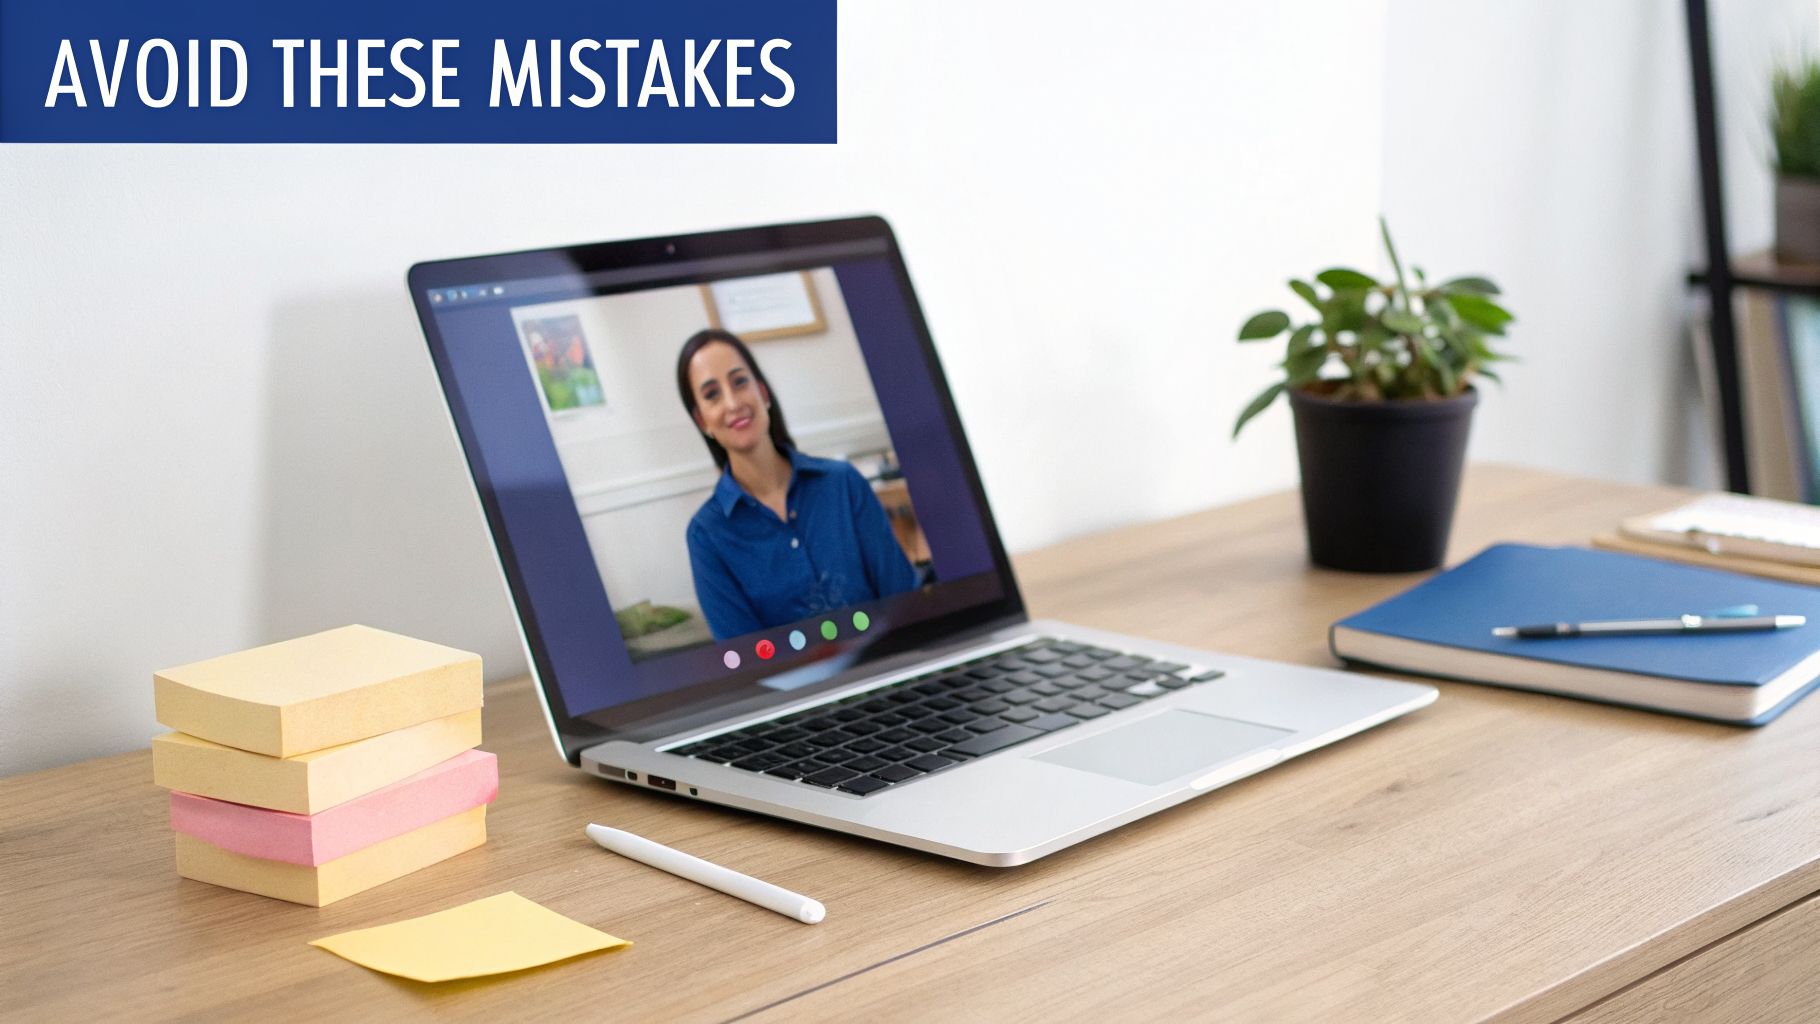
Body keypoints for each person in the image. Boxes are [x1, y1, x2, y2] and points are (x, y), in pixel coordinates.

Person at [676, 328, 920, 640]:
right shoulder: (706, 537)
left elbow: (905, 604)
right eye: (712, 394)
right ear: (702, 421)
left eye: (740, 382)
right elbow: (749, 665)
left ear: (762, 393)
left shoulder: (843, 484)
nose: (733, 402)